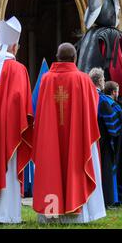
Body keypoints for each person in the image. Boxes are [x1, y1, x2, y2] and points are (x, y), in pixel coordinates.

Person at [32, 43, 106, 223]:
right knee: (76, 165)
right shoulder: (82, 79)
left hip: (51, 138)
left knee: (52, 166)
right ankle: (79, 215)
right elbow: (91, 111)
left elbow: (40, 113)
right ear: (75, 58)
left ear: (57, 57)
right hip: (77, 139)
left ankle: (51, 214)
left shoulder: (46, 79)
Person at [0, 17, 34, 224]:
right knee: (6, 170)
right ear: (13, 46)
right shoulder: (18, 69)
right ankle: (5, 215)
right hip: (5, 131)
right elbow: (20, 103)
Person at [89, 69, 122, 208]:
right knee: (105, 171)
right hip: (103, 141)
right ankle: (107, 200)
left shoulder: (84, 95)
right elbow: (113, 126)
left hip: (87, 140)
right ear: (101, 81)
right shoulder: (102, 100)